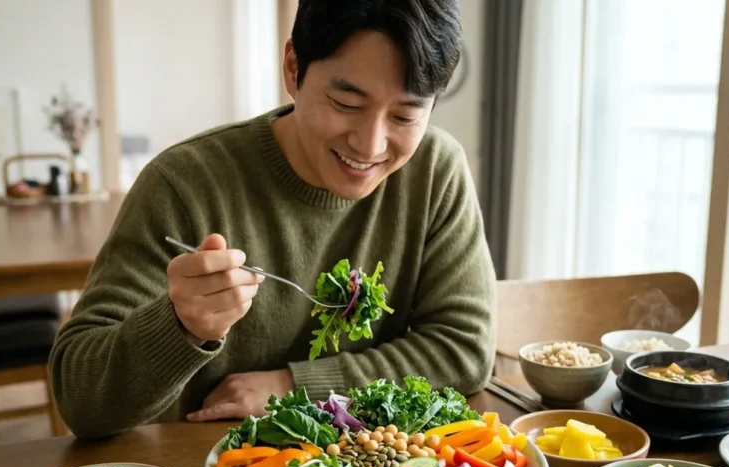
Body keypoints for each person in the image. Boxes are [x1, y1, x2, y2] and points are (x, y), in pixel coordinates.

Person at [50, 0, 497, 438]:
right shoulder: (183, 185)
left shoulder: (436, 171)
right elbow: (80, 399)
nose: (370, 144)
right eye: (346, 103)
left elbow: (464, 350)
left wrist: (295, 387)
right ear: (292, 68)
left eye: (404, 115)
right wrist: (181, 325)